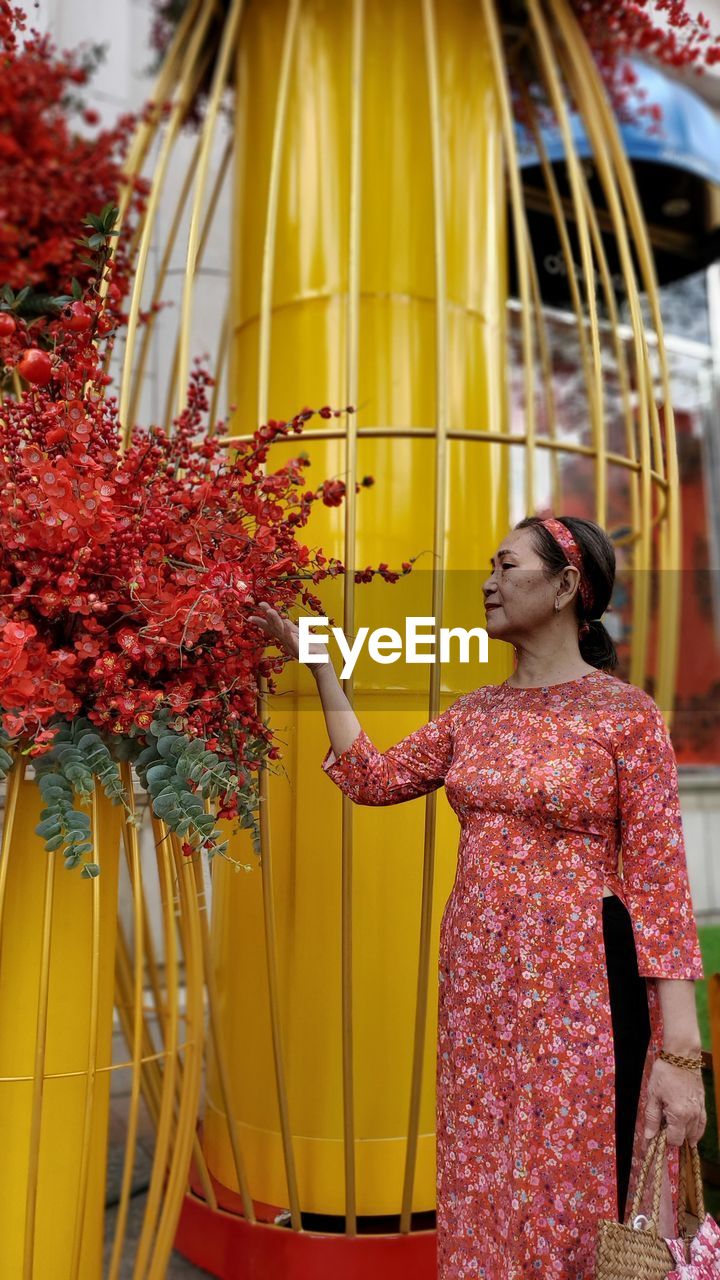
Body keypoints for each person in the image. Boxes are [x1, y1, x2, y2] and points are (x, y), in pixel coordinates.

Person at [248, 514, 706, 1280]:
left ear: (566, 587)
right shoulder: (474, 714)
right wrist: (321, 663)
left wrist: (683, 1060)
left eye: (506, 566)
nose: (488, 582)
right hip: (480, 998)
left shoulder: (626, 717)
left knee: (573, 1181)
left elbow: (661, 886)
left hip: (583, 998)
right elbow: (372, 779)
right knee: (483, 1175)